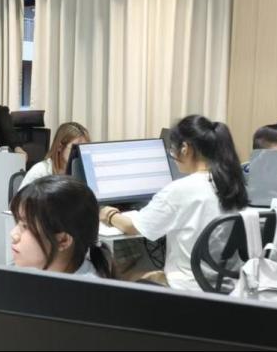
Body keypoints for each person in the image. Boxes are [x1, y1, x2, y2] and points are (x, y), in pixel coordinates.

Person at [100, 115, 249, 291]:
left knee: (122, 276)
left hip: (186, 288)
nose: (172, 155)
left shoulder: (179, 190)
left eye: (172, 149)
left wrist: (108, 214)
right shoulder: (234, 185)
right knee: (151, 273)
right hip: (227, 287)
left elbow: (133, 227)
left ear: (185, 148)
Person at [10, 175, 111, 277]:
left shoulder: (85, 286)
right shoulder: (31, 273)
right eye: (17, 222)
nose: (13, 234)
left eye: (25, 226)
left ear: (63, 240)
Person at [19, 122, 90, 190]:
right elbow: (21, 198)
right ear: (60, 147)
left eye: (83, 148)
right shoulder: (40, 172)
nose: (80, 153)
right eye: (75, 148)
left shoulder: (81, 171)